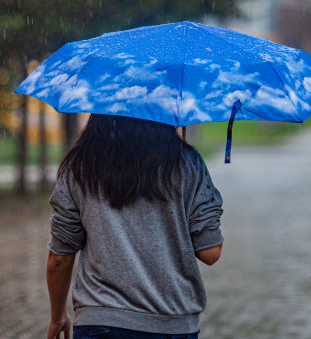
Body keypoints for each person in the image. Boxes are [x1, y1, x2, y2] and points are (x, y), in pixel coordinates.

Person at [46, 114, 224, 339]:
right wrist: (202, 203)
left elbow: (59, 258)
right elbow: (210, 252)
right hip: (171, 325)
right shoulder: (188, 163)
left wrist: (58, 315)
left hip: (100, 323)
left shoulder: (79, 165)